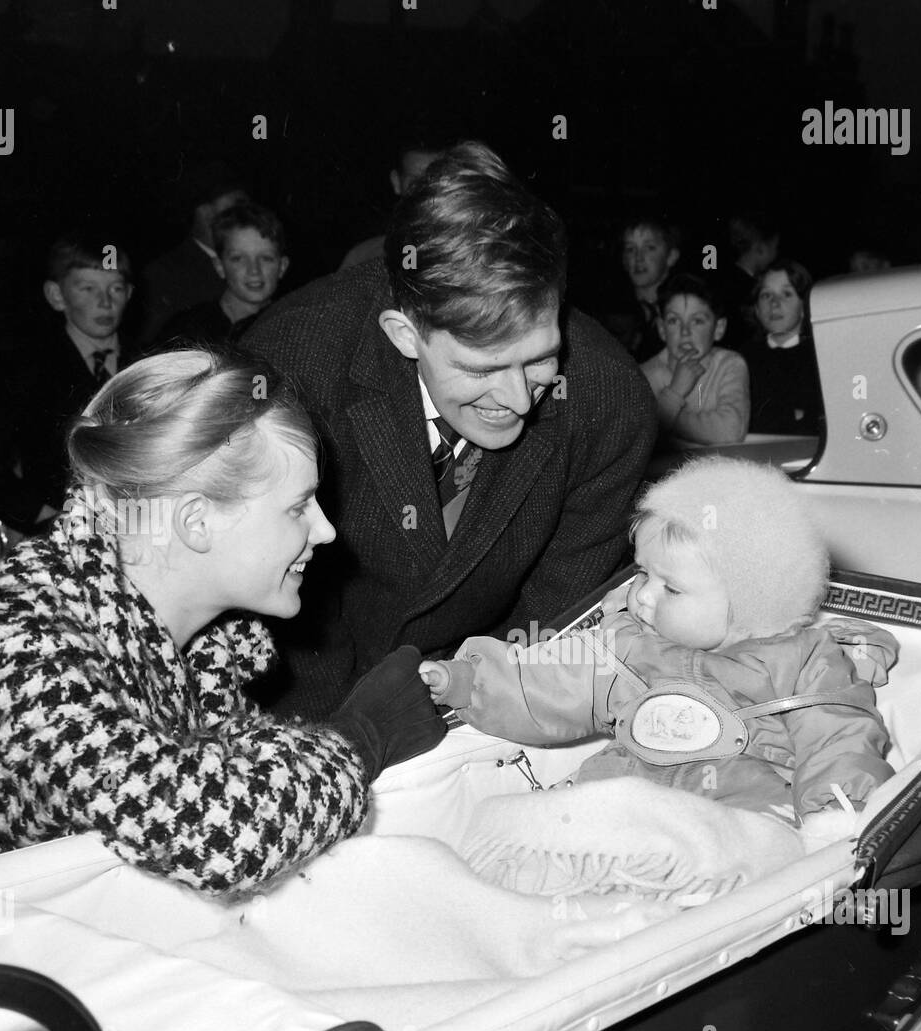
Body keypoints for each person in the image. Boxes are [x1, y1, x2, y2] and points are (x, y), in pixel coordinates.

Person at [0, 350, 446, 896]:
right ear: (196, 522)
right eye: (298, 507)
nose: (325, 531)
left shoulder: (177, 635)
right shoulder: (20, 651)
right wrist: (362, 736)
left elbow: (237, 778)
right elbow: (214, 830)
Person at [245, 140, 657, 720]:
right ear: (403, 334)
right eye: (482, 368)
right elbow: (276, 617)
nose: (520, 400)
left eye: (541, 359)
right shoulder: (290, 369)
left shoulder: (610, 404)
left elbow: (552, 616)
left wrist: (468, 709)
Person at [419, 457, 896, 820]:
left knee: (755, 838)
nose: (641, 595)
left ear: (752, 600)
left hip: (740, 800)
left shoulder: (801, 661)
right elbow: (551, 683)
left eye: (670, 587)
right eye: (642, 572)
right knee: (545, 822)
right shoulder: (627, 644)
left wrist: (837, 811)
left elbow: (839, 737)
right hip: (626, 782)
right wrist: (470, 682)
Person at [0, 233, 136, 533]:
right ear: (56, 296)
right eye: (87, 288)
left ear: (130, 294)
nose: (105, 302)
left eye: (116, 288)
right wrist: (40, 515)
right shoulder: (26, 370)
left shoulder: (147, 363)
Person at [136, 167, 248, 345]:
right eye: (236, 208)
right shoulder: (164, 273)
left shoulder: (252, 264)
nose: (246, 216)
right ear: (204, 211)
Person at [157, 202, 290, 347]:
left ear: (282, 266)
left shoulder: (290, 327)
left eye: (266, 258)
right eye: (238, 258)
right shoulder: (186, 329)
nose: (254, 270)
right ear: (219, 266)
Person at [641, 272, 749, 447]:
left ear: (718, 328)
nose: (685, 332)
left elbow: (731, 430)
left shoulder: (729, 364)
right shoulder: (646, 374)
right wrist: (675, 392)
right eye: (674, 321)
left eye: (697, 321)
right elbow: (641, 437)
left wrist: (664, 416)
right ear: (661, 328)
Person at [742, 258, 823, 436]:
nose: (775, 303)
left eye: (786, 294)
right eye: (766, 295)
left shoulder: (820, 358)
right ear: (756, 308)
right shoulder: (741, 359)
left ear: (804, 307)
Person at [339, 136, 445, 270]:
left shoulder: (468, 251)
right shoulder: (362, 257)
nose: (423, 191)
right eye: (414, 183)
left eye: (433, 181)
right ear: (396, 182)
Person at [599, 214, 682, 363]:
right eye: (630, 249)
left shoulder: (684, 310)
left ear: (671, 256)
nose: (638, 257)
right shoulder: (612, 312)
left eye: (649, 248)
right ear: (624, 259)